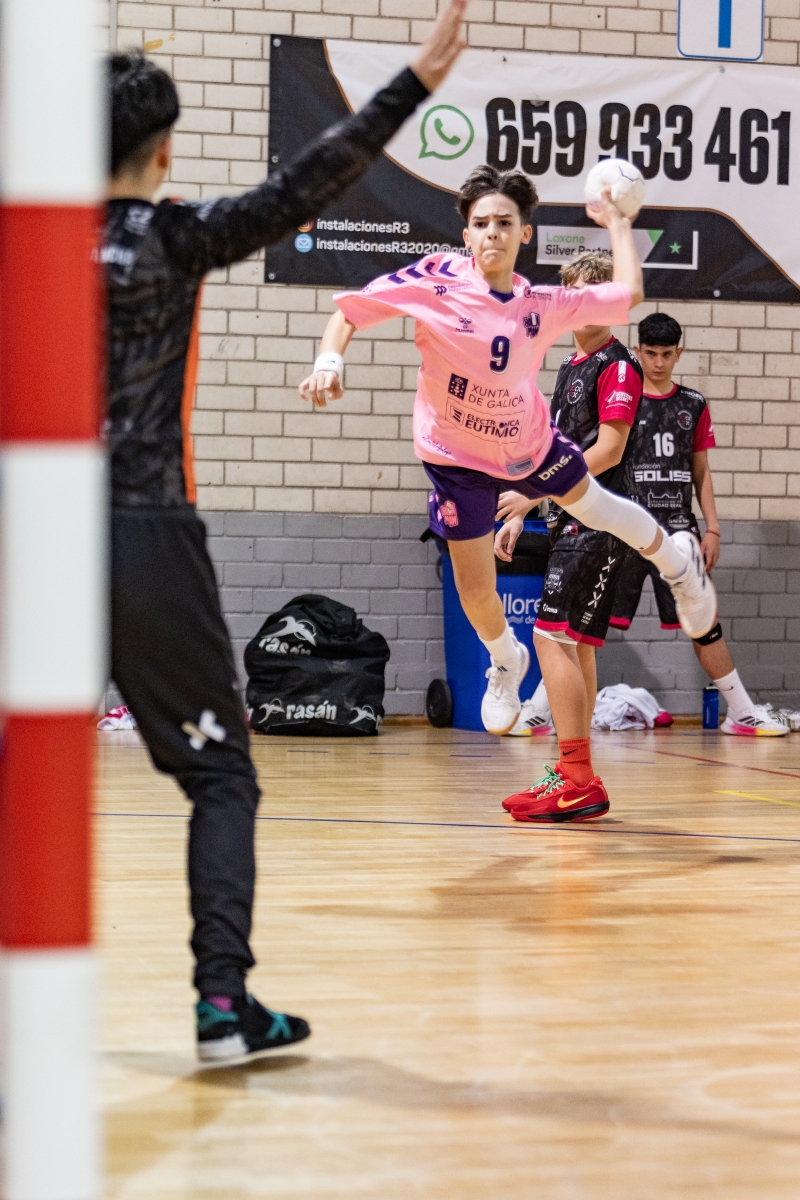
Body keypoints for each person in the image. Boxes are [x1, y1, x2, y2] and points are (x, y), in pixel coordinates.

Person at [104, 2, 467, 1065]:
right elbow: (306, 181)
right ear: (165, 150)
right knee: (221, 775)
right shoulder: (174, 237)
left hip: (32, 536)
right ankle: (223, 1007)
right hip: (142, 534)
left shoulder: (27, 242)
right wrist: (413, 83)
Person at [299, 167, 717, 822]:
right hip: (454, 460)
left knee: (596, 505)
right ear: (466, 234)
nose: (492, 232)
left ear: (524, 234)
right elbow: (349, 313)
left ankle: (676, 561)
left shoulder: (539, 304)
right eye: (481, 223)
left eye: (504, 222)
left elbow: (628, 293)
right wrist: (329, 362)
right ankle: (504, 658)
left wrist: (618, 223)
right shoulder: (434, 280)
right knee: (475, 591)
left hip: (526, 445)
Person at [608, 312, 788, 736]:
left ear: (679, 353)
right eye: (650, 353)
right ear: (637, 351)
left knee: (704, 625)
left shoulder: (693, 404)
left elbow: (701, 472)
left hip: (677, 531)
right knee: (585, 619)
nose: (658, 362)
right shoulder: (620, 400)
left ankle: (741, 713)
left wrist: (713, 529)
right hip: (625, 527)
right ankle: (542, 709)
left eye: (666, 354)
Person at [502, 250, 643, 743]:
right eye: (575, 295)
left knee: (549, 636)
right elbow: (554, 447)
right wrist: (523, 508)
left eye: (594, 296)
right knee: (577, 643)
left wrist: (532, 493)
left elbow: (608, 450)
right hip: (568, 517)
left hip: (598, 522)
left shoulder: (618, 366)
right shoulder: (569, 363)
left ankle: (574, 768)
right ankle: (578, 771)